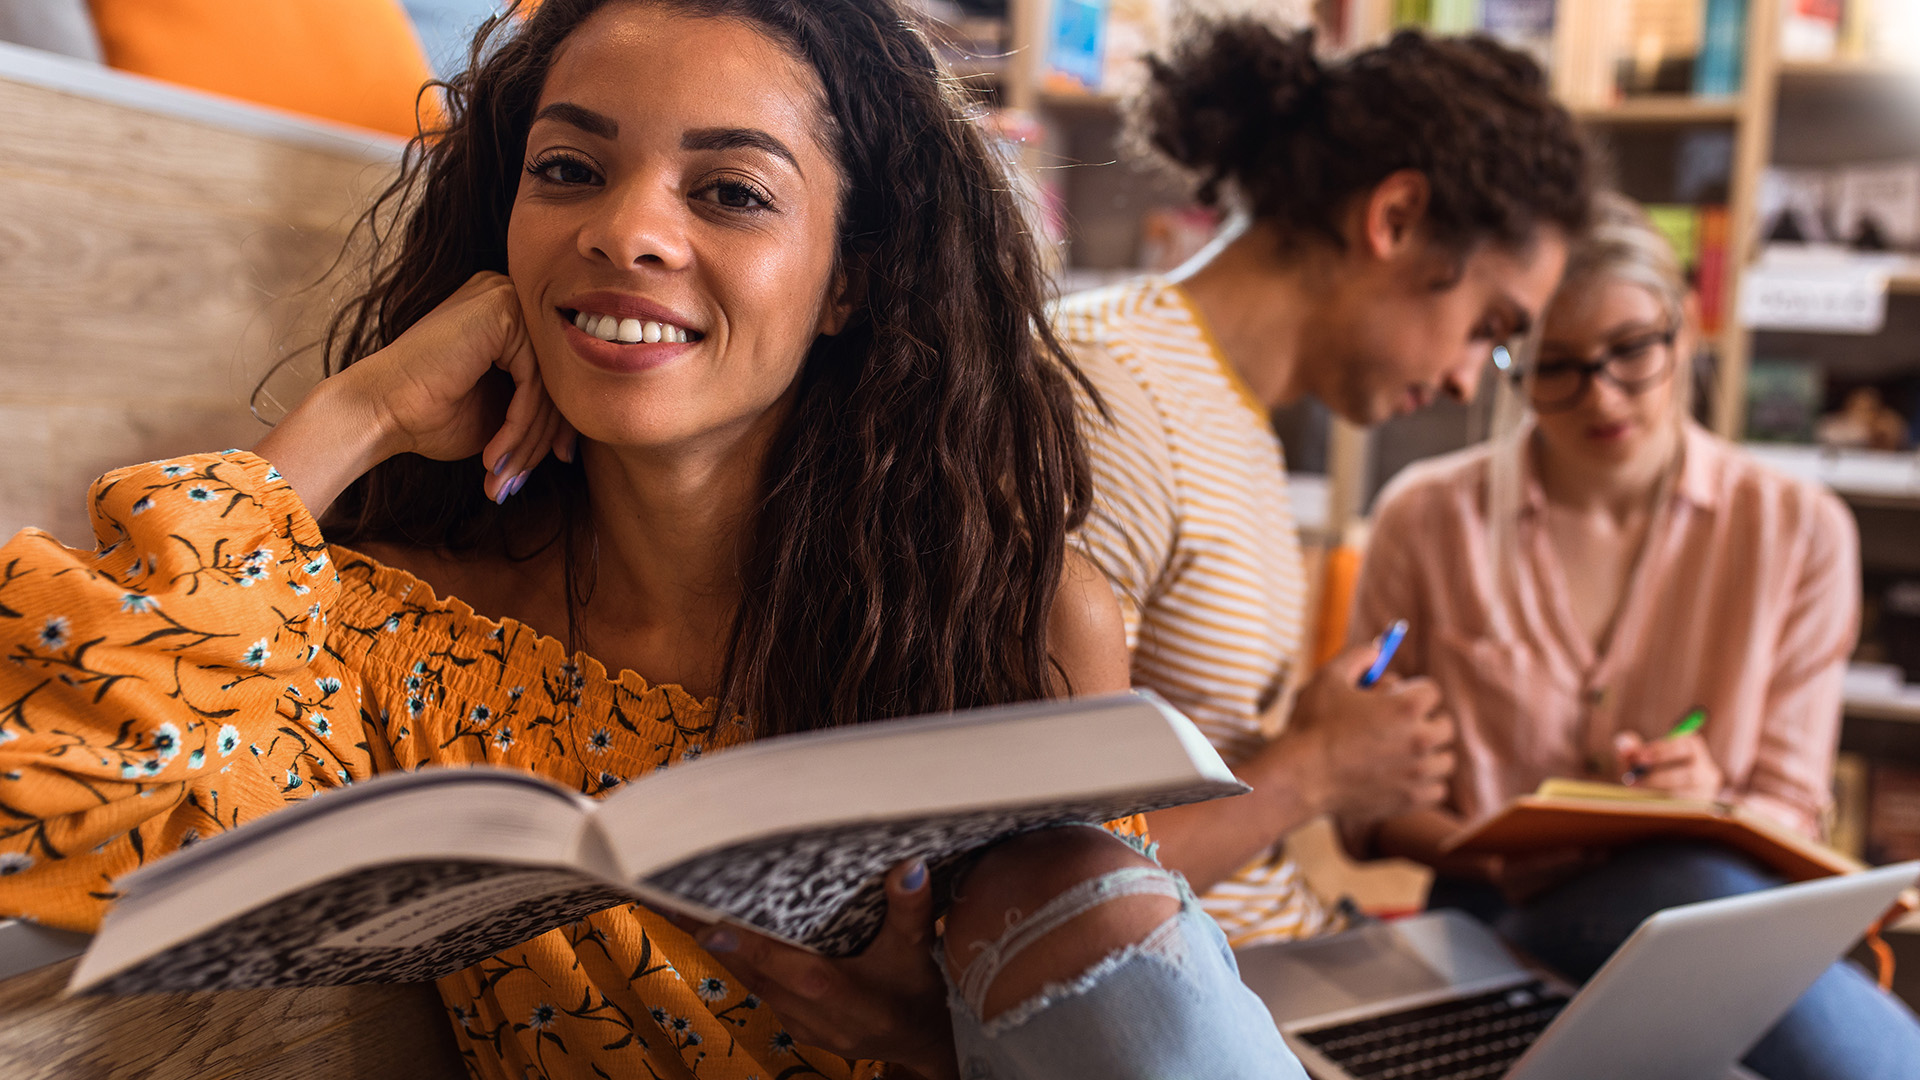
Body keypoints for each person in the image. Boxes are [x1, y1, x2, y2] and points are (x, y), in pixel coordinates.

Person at [0, 2, 1305, 1078]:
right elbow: (57, 786)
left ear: (850, 275)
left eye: (730, 191)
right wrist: (363, 411)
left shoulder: (1013, 621)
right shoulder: (399, 628)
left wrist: (935, 1045)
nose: (625, 231)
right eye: (568, 170)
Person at [1353, 192, 1920, 1079]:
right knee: (1698, 896)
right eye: (1558, 366)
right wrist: (1492, 851)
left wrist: (1714, 807)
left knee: (1696, 887)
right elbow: (1365, 804)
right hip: (1491, 917)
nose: (1600, 396)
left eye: (1630, 354)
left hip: (1710, 914)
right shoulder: (1426, 520)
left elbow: (1792, 801)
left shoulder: (1799, 530)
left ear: (1685, 332)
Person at [1057, 18, 1593, 947]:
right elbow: (1051, 884)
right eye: (1487, 324)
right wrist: (1317, 769)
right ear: (1393, 220)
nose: (1472, 379)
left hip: (1287, 953)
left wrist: (1310, 743)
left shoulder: (1232, 412)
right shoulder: (1109, 399)